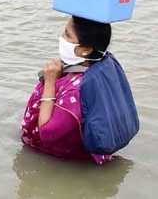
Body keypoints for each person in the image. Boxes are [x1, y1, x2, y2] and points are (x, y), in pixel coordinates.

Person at [21, 16, 117, 165]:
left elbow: (46, 132)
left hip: (69, 159)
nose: (61, 37)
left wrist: (50, 82)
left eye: (67, 34)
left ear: (85, 50)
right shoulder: (103, 64)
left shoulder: (76, 91)